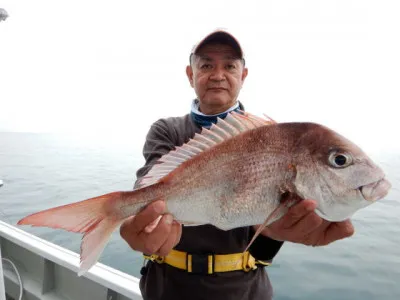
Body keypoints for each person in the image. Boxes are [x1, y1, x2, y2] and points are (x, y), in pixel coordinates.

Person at [120, 30, 355, 300]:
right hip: (167, 286)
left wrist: (276, 231)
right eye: (206, 65)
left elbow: (266, 228)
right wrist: (138, 222)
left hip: (243, 290)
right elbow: (147, 185)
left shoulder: (272, 139)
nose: (218, 75)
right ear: (190, 74)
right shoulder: (167, 130)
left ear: (243, 75)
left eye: (230, 66)